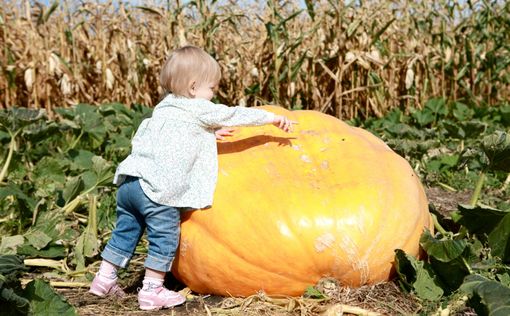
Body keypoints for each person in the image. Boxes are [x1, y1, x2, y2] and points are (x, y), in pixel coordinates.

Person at [88, 45, 296, 311]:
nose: (214, 94)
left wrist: (207, 135)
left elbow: (173, 135)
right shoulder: (198, 107)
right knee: (165, 236)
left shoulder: (164, 107)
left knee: (126, 230)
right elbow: (232, 113)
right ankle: (152, 289)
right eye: (212, 89)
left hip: (130, 181)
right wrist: (273, 118)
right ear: (194, 87)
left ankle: (104, 278)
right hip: (157, 190)